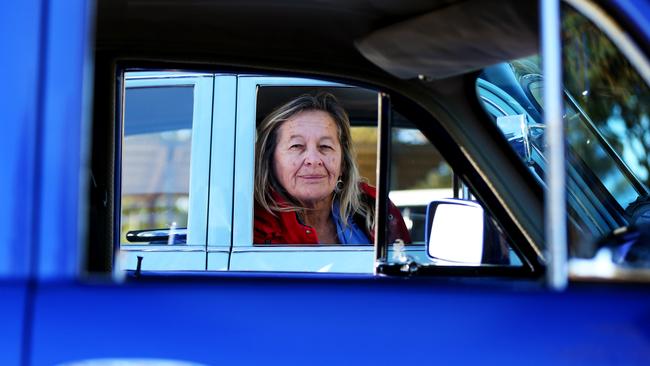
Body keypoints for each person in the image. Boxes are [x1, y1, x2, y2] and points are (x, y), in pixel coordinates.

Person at [254, 92, 411, 245]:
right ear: (269, 160)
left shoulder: (376, 208)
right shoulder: (251, 225)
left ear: (343, 162)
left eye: (325, 146)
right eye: (297, 146)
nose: (314, 160)